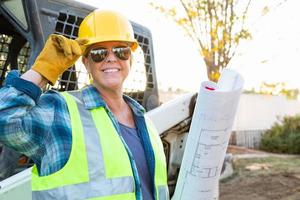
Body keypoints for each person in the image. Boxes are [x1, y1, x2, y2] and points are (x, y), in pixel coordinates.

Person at [0, 9, 169, 200]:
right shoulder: (61, 113)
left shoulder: (146, 122)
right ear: (86, 62)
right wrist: (41, 70)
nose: (111, 58)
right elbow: (4, 117)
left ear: (131, 58)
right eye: (98, 53)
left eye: (121, 51)